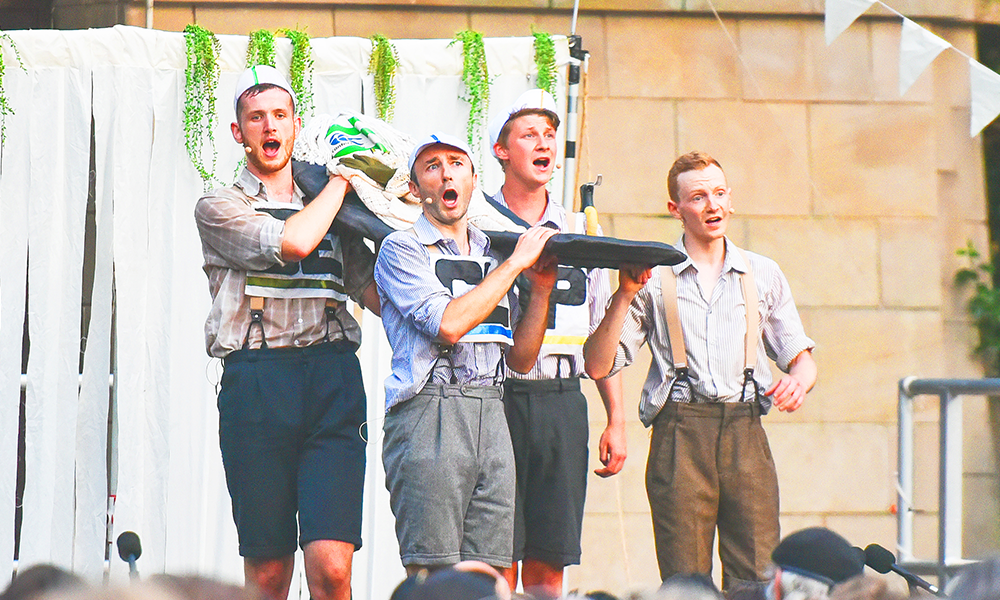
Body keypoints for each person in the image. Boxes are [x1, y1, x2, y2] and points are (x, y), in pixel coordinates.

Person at [584, 151, 817, 591]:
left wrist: (798, 382)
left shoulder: (762, 273)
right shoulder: (653, 275)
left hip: (746, 432)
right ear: (676, 209)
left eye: (719, 193)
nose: (712, 205)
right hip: (680, 433)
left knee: (756, 576)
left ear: (730, 201)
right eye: (697, 197)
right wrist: (623, 294)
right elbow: (598, 364)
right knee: (685, 580)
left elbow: (801, 359)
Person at [194, 65, 379, 600]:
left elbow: (376, 293)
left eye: (279, 116)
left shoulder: (335, 208)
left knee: (332, 568)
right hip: (258, 381)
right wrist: (345, 181)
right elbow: (292, 242)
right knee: (271, 573)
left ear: (297, 126)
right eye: (256, 118)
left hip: (332, 378)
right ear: (238, 132)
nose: (269, 127)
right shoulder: (220, 204)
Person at [375, 132, 558, 577]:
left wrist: (542, 290)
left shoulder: (495, 252)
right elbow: (448, 324)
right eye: (432, 166)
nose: (446, 173)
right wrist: (516, 265)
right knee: (433, 573)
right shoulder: (401, 248)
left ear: (474, 179)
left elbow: (521, 360)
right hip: (429, 410)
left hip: (493, 410)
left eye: (456, 163)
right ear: (415, 189)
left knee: (490, 573)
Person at [486, 89, 626, 598]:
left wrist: (615, 418)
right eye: (528, 134)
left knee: (549, 561)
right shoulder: (479, 224)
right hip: (494, 397)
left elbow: (597, 331)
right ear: (502, 150)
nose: (542, 143)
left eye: (549, 134)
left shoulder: (580, 228)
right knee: (496, 555)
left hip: (562, 396)